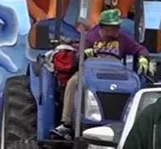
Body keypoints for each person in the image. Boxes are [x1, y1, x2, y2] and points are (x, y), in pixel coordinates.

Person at [53, 9, 149, 140]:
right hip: (91, 71)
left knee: (136, 84)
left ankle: (131, 121)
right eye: (114, 27)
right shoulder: (90, 37)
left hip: (116, 71)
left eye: (118, 26)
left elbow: (140, 49)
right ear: (103, 27)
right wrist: (84, 53)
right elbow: (78, 56)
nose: (117, 29)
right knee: (73, 82)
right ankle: (67, 123)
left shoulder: (123, 38)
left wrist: (143, 57)